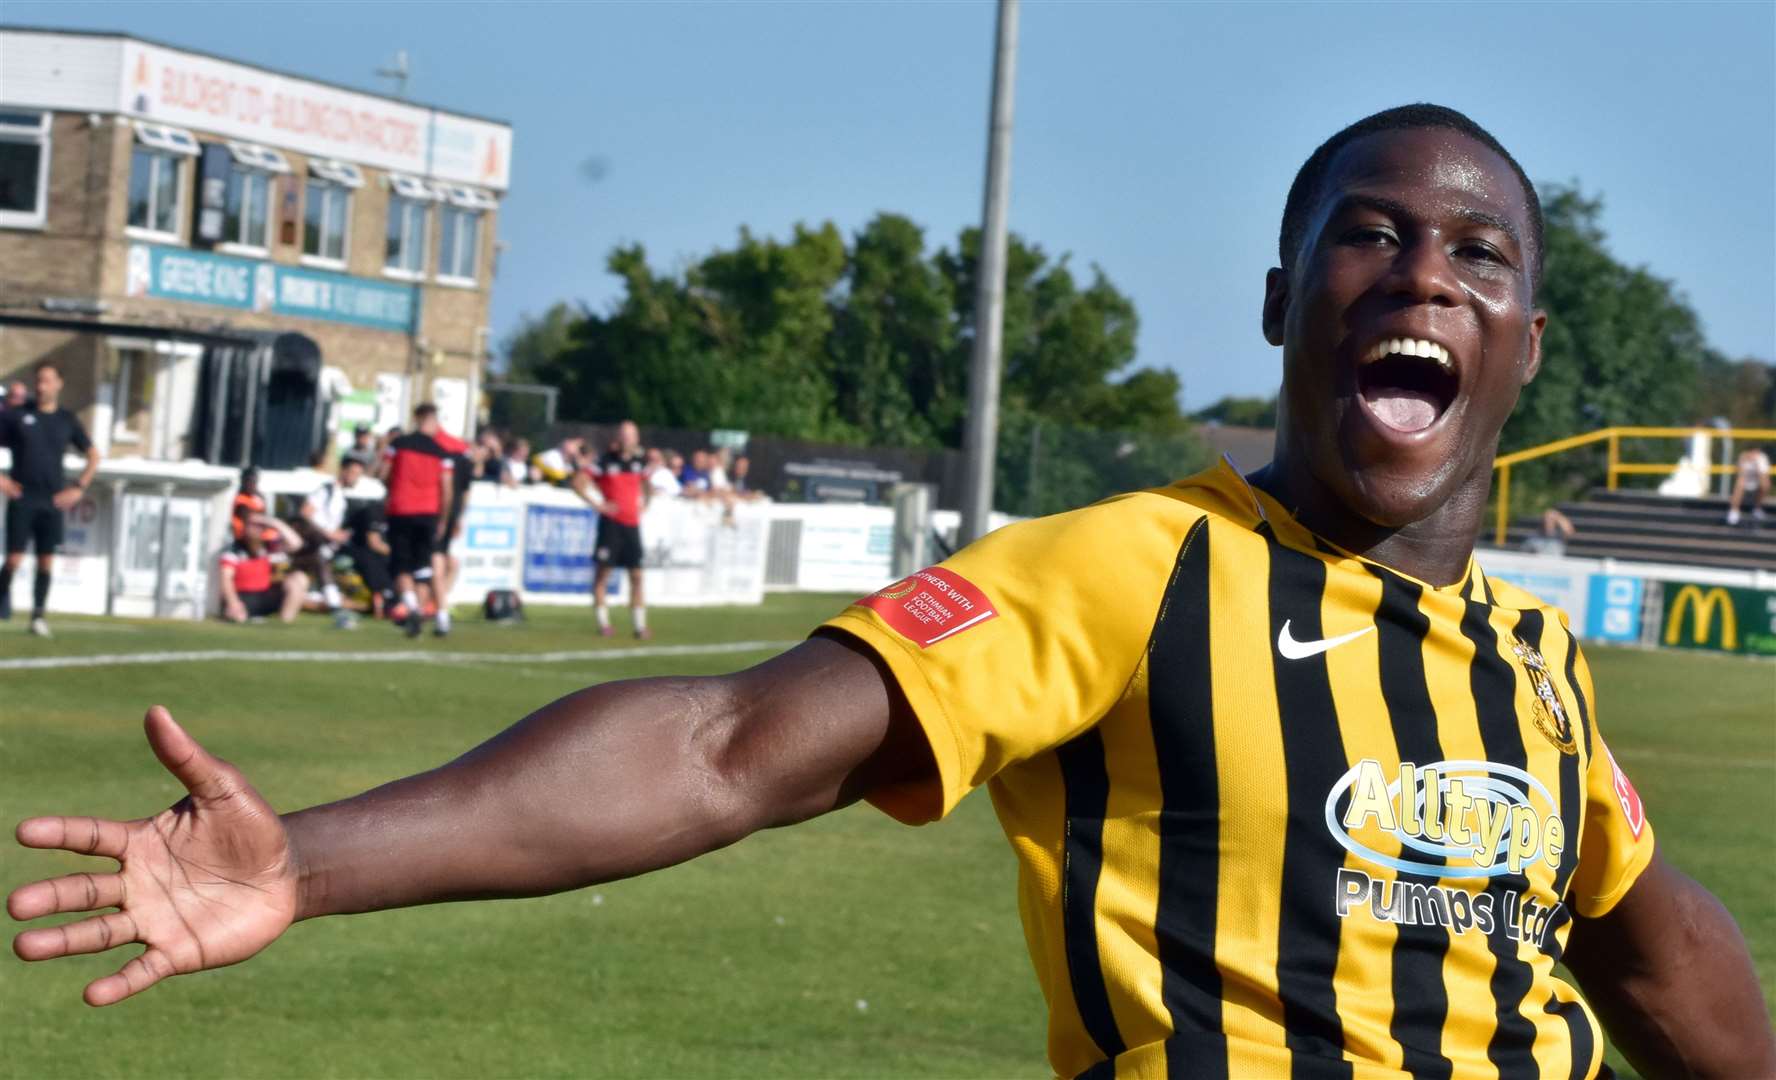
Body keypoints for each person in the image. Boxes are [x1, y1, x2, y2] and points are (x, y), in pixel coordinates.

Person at [8, 106, 1774, 1079]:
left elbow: (1652, 941)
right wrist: (310, 861)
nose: (1422, 271)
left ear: (1526, 346)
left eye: (1478, 255)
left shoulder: (1529, 665)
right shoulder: (1133, 570)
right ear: (1283, 299)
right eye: (1368, 232)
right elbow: (724, 747)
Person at [0, 361, 100, 637]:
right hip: (23, 497)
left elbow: (93, 455)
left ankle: (38, 616)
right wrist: (2, 479)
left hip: (52, 500)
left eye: (47, 381)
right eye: (38, 381)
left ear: (58, 384)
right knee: (14, 560)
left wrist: (79, 487)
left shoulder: (67, 420)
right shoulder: (17, 415)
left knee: (46, 561)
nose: (41, 387)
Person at [379, 404, 455, 639]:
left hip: (401, 510)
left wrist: (393, 488)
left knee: (401, 563)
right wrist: (443, 518)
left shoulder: (398, 445)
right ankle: (433, 615)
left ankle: (412, 607)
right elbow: (447, 490)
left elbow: (382, 473)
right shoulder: (441, 452)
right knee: (424, 567)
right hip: (428, 512)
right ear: (430, 420)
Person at [573, 419, 650, 639]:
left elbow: (647, 484)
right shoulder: (605, 461)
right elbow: (578, 482)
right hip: (611, 525)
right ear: (619, 437)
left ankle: (639, 626)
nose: (628, 439)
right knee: (603, 573)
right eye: (624, 435)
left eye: (631, 435)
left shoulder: (638, 463)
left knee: (637, 575)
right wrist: (598, 504)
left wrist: (646, 503)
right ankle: (603, 623)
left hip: (632, 525)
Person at [301, 453, 372, 629]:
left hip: (330, 546)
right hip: (314, 545)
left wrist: (339, 535)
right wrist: (329, 534)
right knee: (321, 559)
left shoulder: (341, 497)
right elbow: (306, 513)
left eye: (359, 474)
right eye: (354, 473)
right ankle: (336, 608)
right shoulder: (326, 490)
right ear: (343, 471)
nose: (356, 478)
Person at [218, 515, 308, 624]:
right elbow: (226, 579)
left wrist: (272, 522)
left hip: (265, 595)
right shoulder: (234, 549)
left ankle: (284, 623)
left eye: (260, 526)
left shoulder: (268, 546)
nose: (257, 529)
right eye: (253, 526)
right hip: (243, 597)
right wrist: (233, 603)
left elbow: (296, 544)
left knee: (299, 578)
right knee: (236, 616)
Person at [429, 426, 475, 637]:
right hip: (446, 515)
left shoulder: (434, 452)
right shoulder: (463, 457)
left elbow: (454, 492)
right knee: (446, 562)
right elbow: (466, 492)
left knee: (438, 561)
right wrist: (458, 517)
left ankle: (438, 608)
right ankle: (439, 606)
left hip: (435, 514)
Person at [1724, 445, 1770, 525]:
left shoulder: (1762, 458)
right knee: (1740, 483)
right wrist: (1743, 462)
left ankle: (1757, 508)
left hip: (1756, 483)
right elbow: (1739, 474)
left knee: (1765, 484)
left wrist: (1756, 464)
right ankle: (1734, 511)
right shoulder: (1742, 457)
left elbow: (1763, 476)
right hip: (1744, 483)